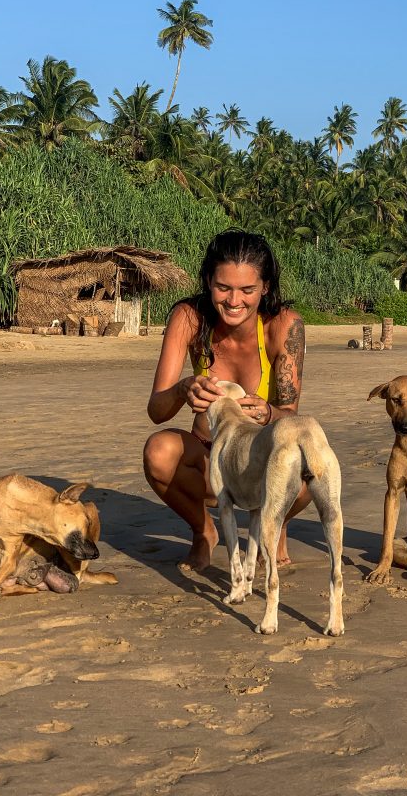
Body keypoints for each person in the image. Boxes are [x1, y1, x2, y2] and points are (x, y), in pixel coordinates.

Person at [143, 230, 310, 572]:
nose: (234, 301)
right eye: (224, 287)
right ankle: (204, 531)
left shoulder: (284, 326)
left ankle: (270, 524)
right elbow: (156, 412)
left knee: (308, 478)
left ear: (265, 287)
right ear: (208, 280)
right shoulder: (188, 318)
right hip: (208, 456)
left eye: (247, 290)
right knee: (157, 452)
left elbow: (289, 415)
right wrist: (181, 390)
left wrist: (267, 412)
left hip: (261, 461)